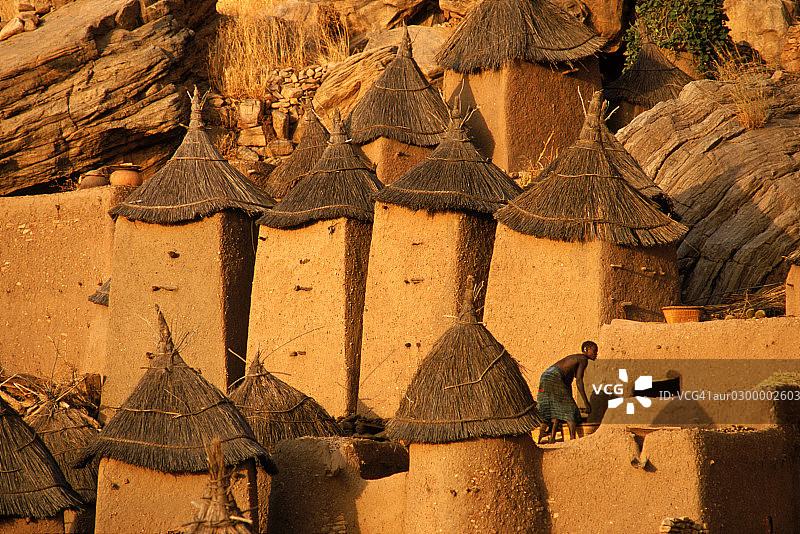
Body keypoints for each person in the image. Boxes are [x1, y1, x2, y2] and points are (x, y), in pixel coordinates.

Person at [537, 340, 598, 444]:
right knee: (571, 410)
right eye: (594, 351)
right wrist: (586, 402)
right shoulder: (583, 359)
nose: (596, 354)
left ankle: (552, 438)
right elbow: (579, 380)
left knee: (556, 409)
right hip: (555, 377)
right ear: (586, 349)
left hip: (546, 376)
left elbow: (567, 383)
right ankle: (572, 439)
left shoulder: (575, 358)